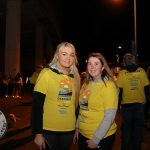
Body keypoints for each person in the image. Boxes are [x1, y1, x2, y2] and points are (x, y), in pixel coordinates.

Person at [31, 42, 80, 150]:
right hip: (48, 131)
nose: (68, 58)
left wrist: (77, 127)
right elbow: (37, 106)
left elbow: (76, 106)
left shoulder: (75, 78)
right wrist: (38, 133)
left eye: (71, 55)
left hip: (68, 130)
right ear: (57, 56)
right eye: (64, 54)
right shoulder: (46, 74)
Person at [74, 53, 119, 150]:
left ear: (103, 67)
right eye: (89, 64)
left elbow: (109, 117)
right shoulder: (86, 84)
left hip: (100, 138)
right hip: (83, 134)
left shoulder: (108, 86)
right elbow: (82, 109)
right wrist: (78, 127)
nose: (92, 67)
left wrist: (96, 140)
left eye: (96, 64)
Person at [117, 53, 150, 150]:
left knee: (126, 129)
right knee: (138, 129)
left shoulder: (122, 73)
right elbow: (147, 88)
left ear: (124, 63)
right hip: (139, 105)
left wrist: (118, 106)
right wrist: (146, 101)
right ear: (134, 61)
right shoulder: (141, 71)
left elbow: (120, 92)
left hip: (126, 105)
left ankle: (126, 147)